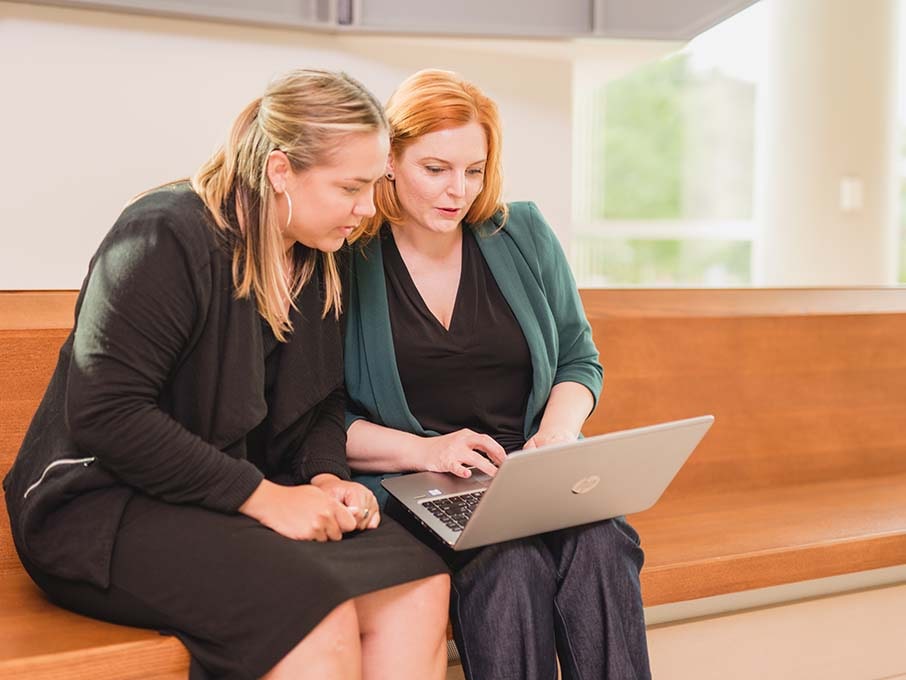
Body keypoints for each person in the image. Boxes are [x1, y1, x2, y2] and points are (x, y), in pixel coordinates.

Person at [3, 69, 450, 680]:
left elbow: (322, 400)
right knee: (312, 612)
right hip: (102, 506)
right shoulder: (163, 234)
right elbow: (108, 415)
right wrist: (260, 497)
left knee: (419, 582)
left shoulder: (318, 254)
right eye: (350, 186)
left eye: (375, 185)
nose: (367, 208)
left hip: (221, 498)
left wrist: (323, 477)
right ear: (279, 171)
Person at [344, 69, 651, 680]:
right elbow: (319, 417)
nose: (457, 189)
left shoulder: (522, 232)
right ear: (390, 161)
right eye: (435, 168)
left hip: (534, 473)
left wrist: (558, 434)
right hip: (420, 482)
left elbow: (576, 357)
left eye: (474, 170)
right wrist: (425, 450)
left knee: (602, 544)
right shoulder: (347, 255)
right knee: (508, 561)